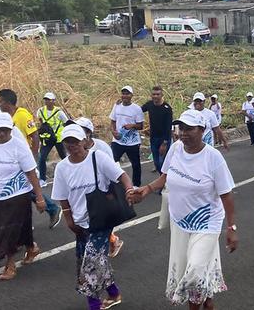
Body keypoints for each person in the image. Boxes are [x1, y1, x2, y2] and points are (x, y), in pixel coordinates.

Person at [132, 109, 237, 309]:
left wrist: (231, 229)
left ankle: (198, 303)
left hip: (206, 224)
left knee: (195, 272)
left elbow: (226, 195)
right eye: (181, 128)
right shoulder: (176, 148)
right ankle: (208, 302)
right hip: (180, 222)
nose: (183, 133)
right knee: (189, 268)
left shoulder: (213, 158)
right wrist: (146, 189)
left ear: (202, 130)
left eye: (189, 129)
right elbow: (165, 177)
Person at [51, 125, 135, 310]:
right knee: (94, 261)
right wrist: (70, 221)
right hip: (81, 223)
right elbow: (63, 198)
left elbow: (121, 175)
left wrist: (129, 189)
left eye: (75, 141)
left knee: (89, 267)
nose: (71, 145)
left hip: (101, 221)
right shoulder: (62, 168)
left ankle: (94, 305)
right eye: (67, 142)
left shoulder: (98, 158)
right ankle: (114, 293)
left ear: (84, 141)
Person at [0, 112, 46, 280]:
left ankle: (10, 265)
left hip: (18, 195)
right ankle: (31, 247)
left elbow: (31, 172)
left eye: (6, 130)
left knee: (8, 230)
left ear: (11, 129)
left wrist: (39, 198)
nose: (2, 133)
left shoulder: (18, 145)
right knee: (19, 228)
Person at [0, 89, 62, 229]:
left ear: (8, 102)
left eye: (0, 101)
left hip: (24, 158)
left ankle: (50, 208)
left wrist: (32, 156)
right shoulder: (6, 117)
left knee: (25, 188)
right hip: (13, 159)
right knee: (23, 189)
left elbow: (34, 136)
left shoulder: (22, 115)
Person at [73, 117, 126, 258]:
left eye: (81, 131)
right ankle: (110, 241)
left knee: (99, 222)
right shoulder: (74, 148)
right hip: (84, 191)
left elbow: (112, 169)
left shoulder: (101, 147)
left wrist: (110, 192)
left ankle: (106, 245)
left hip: (102, 190)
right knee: (89, 222)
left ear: (88, 133)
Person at [109, 85, 145, 186]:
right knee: (111, 163)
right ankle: (111, 184)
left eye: (127, 93)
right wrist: (113, 132)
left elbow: (141, 126)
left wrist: (132, 125)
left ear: (131, 95)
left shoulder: (136, 109)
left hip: (132, 142)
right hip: (117, 140)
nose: (124, 95)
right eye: (123, 93)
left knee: (136, 165)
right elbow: (112, 121)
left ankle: (136, 186)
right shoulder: (116, 106)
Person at [36, 92, 68, 185]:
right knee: (42, 158)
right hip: (47, 138)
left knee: (64, 157)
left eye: (49, 100)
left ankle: (68, 174)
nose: (47, 101)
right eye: (46, 99)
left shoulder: (59, 112)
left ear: (53, 101)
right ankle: (42, 179)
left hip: (58, 138)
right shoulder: (41, 111)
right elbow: (41, 121)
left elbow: (66, 123)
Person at [142, 86, 174, 174]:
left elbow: (168, 127)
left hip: (164, 139)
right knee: (156, 162)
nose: (155, 96)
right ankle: (163, 181)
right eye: (154, 94)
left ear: (162, 95)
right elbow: (137, 110)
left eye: (158, 94)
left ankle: (165, 182)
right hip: (153, 138)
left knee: (162, 163)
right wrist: (122, 103)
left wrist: (164, 143)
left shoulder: (167, 108)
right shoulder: (149, 104)